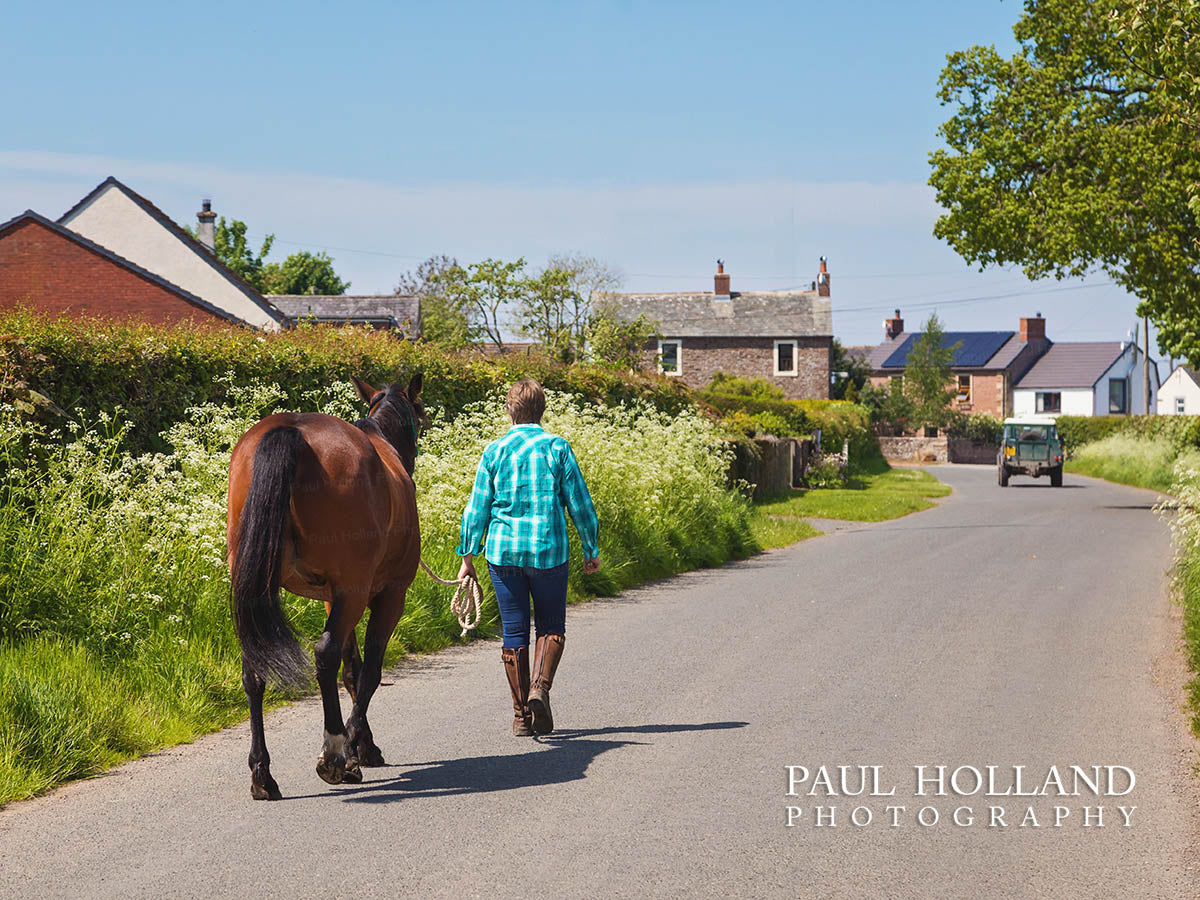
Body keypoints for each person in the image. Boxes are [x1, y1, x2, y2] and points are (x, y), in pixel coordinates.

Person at [456, 379, 600, 736]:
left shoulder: (494, 451)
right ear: (543, 409)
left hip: (503, 553)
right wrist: (590, 547)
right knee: (551, 626)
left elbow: (478, 508)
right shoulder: (558, 448)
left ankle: (521, 716)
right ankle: (540, 689)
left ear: (510, 409)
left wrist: (467, 553)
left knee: (514, 631)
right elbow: (580, 504)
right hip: (549, 551)